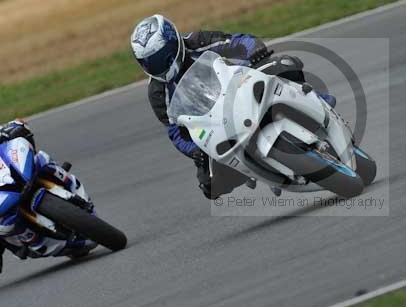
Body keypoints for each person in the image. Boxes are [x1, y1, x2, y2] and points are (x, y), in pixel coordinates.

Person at [130, 14, 336, 200]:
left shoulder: (197, 42)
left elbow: (239, 41)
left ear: (174, 42)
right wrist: (196, 151)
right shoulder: (158, 93)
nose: (159, 66)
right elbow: (175, 132)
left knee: (284, 63)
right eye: (150, 63)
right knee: (208, 185)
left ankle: (317, 100)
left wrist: (256, 53)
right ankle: (259, 171)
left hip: (241, 87)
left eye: (161, 57)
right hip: (215, 124)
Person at [0, 120, 96, 272]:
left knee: (39, 158)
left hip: (8, 173)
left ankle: (64, 182)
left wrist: (12, 128)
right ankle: (29, 241)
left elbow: (17, 124)